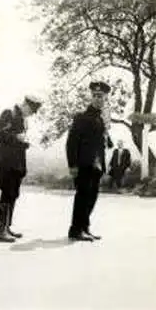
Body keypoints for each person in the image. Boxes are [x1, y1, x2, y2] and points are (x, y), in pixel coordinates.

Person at [66, 81, 114, 242]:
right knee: (82, 197)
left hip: (97, 165)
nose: (98, 99)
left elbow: (102, 143)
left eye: (101, 96)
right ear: (91, 97)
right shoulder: (81, 117)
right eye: (95, 96)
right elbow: (71, 143)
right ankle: (75, 230)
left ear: (106, 98)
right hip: (83, 164)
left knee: (92, 197)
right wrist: (72, 164)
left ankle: (85, 228)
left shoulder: (101, 118)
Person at [0, 95, 42, 242]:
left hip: (17, 164)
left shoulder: (22, 119)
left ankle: (7, 227)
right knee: (6, 194)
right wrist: (17, 138)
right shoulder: (9, 113)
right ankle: (2, 231)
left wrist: (24, 143)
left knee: (13, 194)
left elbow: (16, 139)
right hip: (7, 163)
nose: (32, 114)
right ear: (26, 105)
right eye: (32, 110)